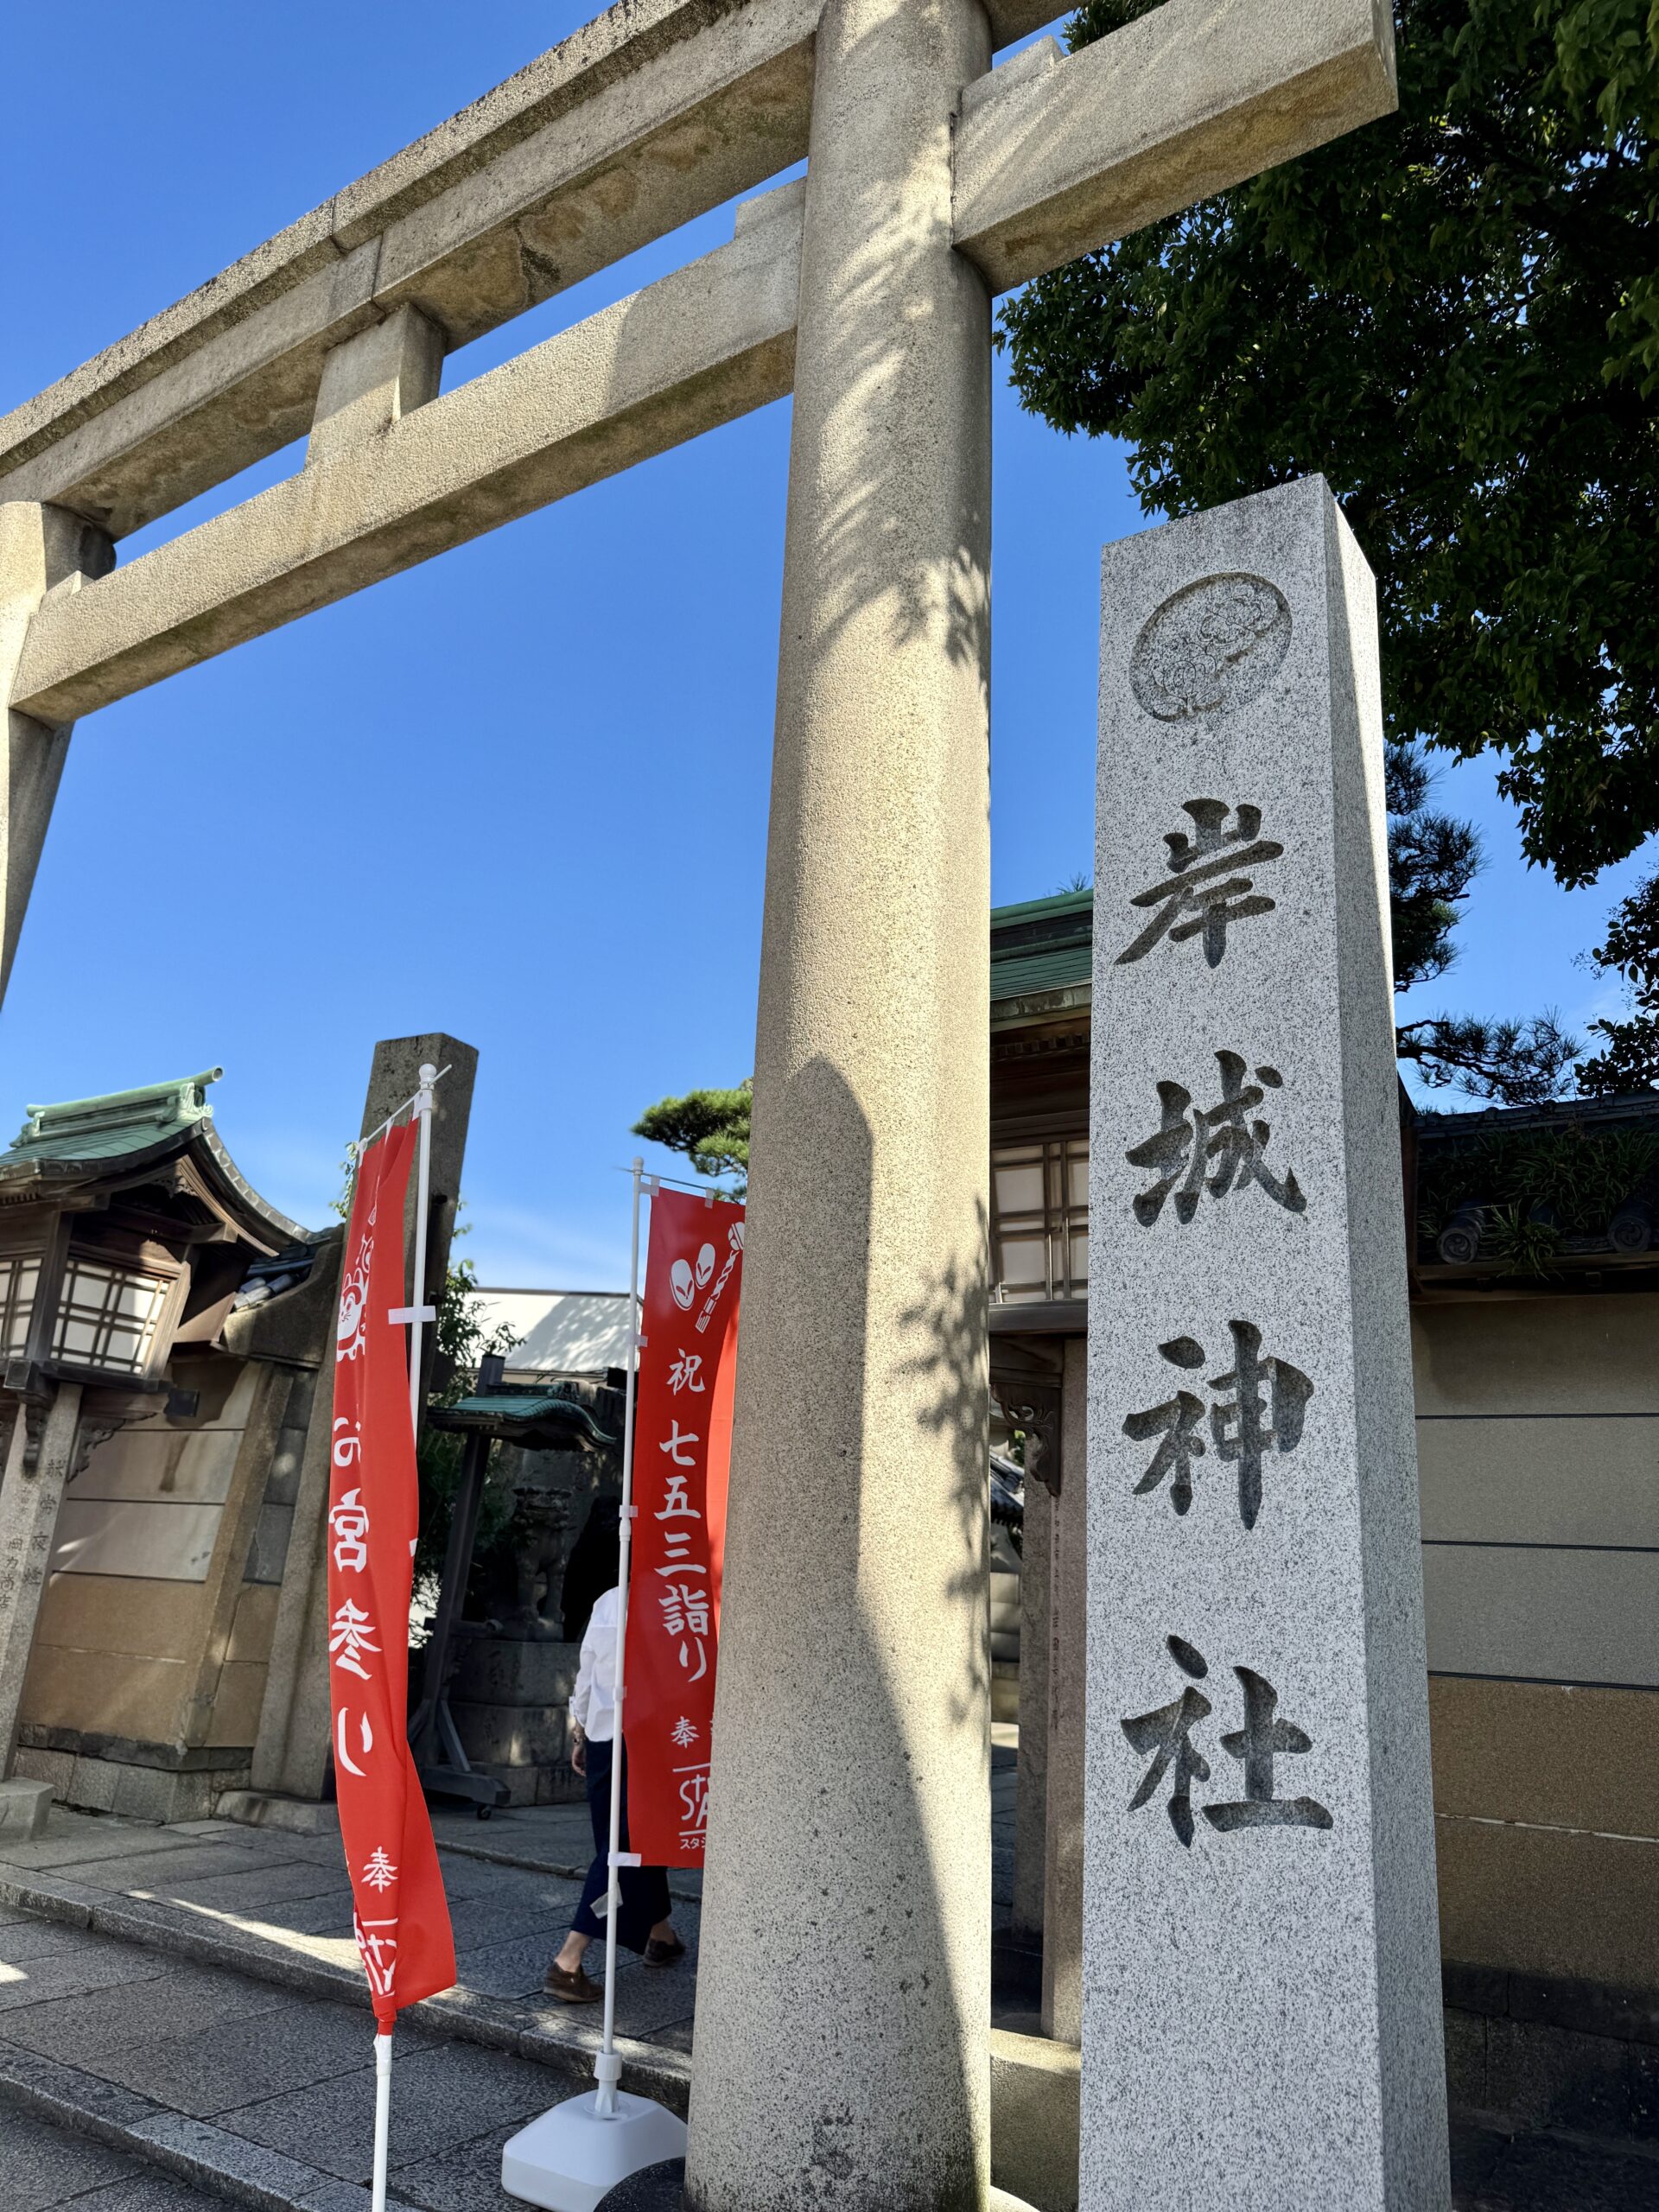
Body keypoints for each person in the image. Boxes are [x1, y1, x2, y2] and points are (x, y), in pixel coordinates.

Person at [543, 1567, 684, 2002]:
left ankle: (660, 1935)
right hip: (651, 1742)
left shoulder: (608, 1599)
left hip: (605, 1739)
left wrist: (582, 1732)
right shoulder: (679, 1602)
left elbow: (586, 1676)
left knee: (631, 1840)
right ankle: (569, 1960)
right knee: (624, 1846)